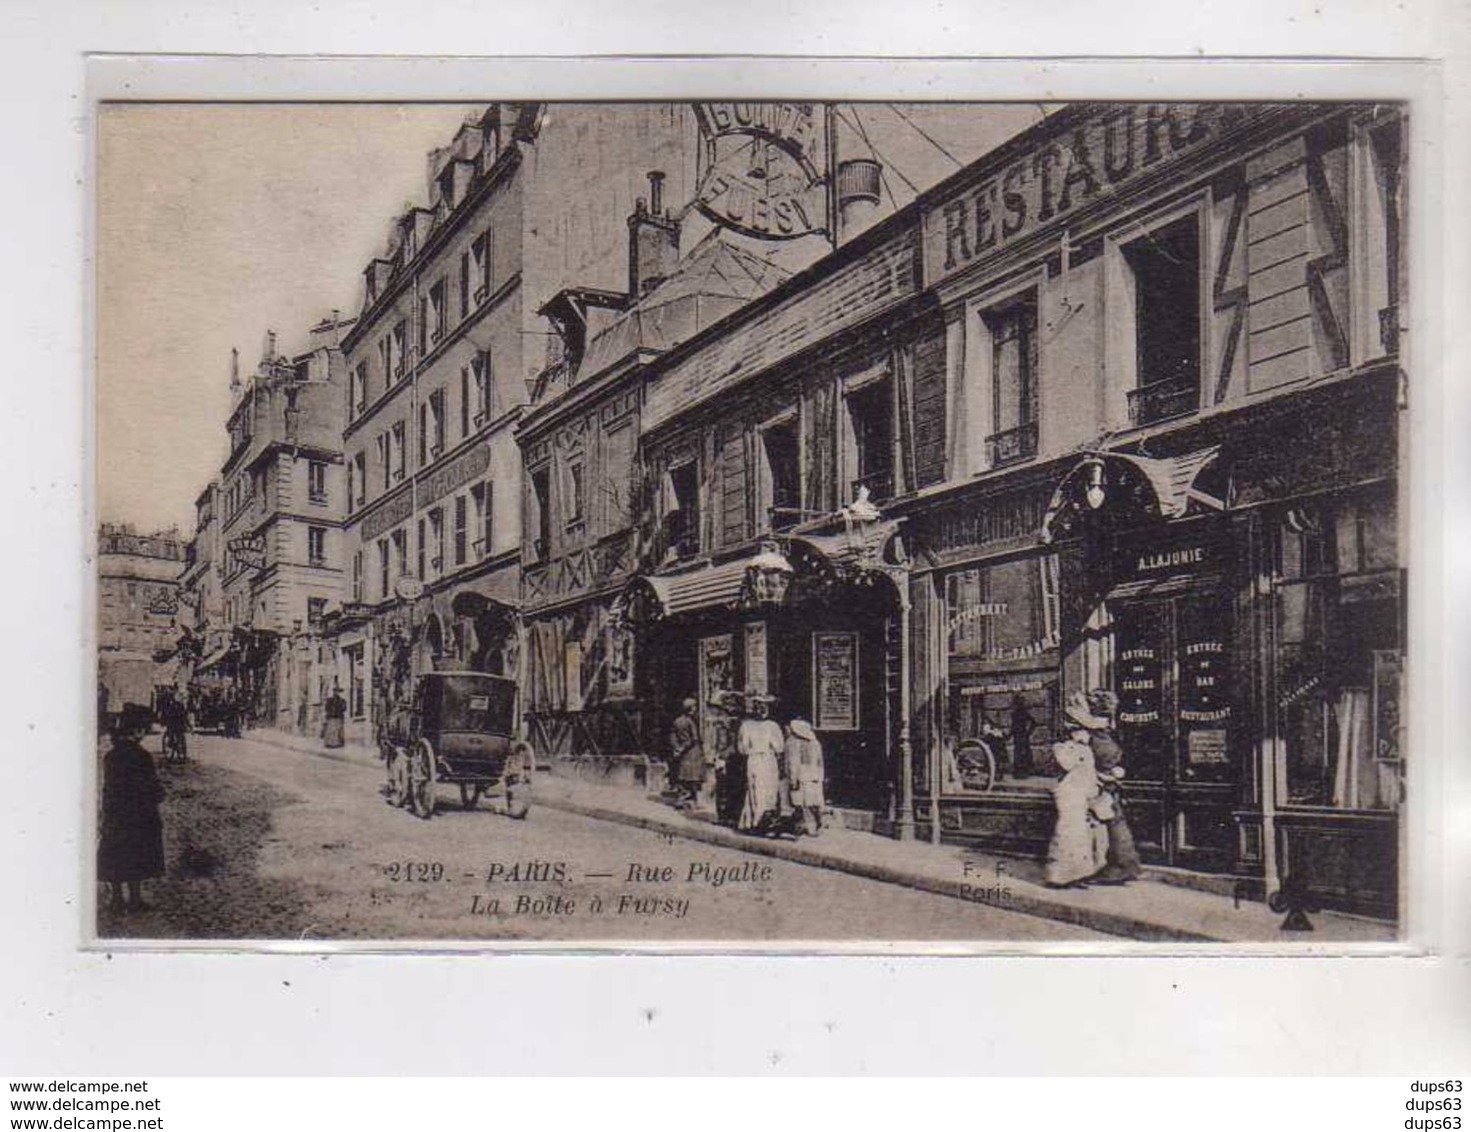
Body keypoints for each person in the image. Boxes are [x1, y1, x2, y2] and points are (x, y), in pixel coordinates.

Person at [98, 703, 166, 914]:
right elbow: (150, 788)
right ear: (136, 730)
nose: (143, 733)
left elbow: (108, 789)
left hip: (117, 814)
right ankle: (135, 899)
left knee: (117, 853)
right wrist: (158, 794)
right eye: (142, 729)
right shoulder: (142, 757)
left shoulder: (111, 757)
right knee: (137, 854)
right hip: (139, 815)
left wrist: (106, 815)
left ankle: (117, 900)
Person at [1079, 689, 1144, 885]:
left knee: (1110, 825)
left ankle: (1118, 867)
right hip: (1109, 780)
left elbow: (1104, 756)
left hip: (1103, 783)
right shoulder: (1106, 728)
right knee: (1115, 822)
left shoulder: (1097, 732)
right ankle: (1126, 865)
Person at [1044, 704, 1105, 888]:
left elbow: (1089, 772)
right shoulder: (1065, 748)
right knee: (1068, 833)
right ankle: (1058, 877)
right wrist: (1076, 750)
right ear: (1074, 732)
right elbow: (1066, 765)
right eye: (1083, 731)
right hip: (1069, 795)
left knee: (1080, 836)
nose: (1087, 735)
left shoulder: (1084, 749)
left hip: (1081, 795)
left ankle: (1077, 874)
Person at [736, 691, 784, 835]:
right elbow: (779, 747)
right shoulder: (772, 726)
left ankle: (755, 821)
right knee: (766, 790)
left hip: (755, 760)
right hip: (767, 760)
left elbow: (743, 748)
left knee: (756, 790)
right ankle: (762, 822)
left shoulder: (746, 726)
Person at [784, 718, 826, 836]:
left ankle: (809, 828)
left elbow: (793, 763)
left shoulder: (792, 742)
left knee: (803, 804)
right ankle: (817, 824)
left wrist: (792, 779)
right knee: (815, 803)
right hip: (815, 776)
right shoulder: (815, 742)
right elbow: (820, 762)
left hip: (801, 776)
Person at [668, 697, 704, 806]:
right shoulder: (691, 721)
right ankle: (692, 800)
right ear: (690, 709)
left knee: (683, 776)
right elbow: (694, 739)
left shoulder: (677, 721)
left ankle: (683, 798)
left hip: (683, 753)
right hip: (692, 752)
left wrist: (677, 748)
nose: (695, 709)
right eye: (694, 707)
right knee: (693, 777)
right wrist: (683, 747)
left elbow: (672, 736)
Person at [322, 684, 347, 749]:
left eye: (338, 692)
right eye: (336, 691)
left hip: (337, 717)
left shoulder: (342, 700)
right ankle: (331, 743)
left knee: (337, 730)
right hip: (332, 717)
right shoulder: (330, 700)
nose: (337, 693)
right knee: (332, 730)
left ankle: (337, 743)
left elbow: (344, 708)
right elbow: (327, 708)